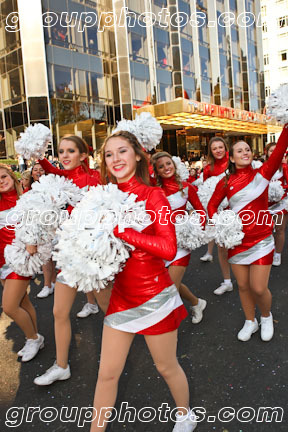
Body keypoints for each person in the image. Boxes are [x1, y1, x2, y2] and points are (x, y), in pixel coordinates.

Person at [90, 130, 197, 432]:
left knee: (165, 366)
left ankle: (185, 414)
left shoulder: (154, 195)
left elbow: (168, 248)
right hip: (122, 298)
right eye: (109, 154)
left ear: (137, 155)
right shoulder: (103, 197)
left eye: (122, 151)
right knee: (107, 374)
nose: (115, 159)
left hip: (155, 298)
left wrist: (125, 232)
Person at [33, 136, 110, 386]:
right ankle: (61, 365)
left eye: (71, 151)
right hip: (68, 254)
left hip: (91, 256)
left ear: (83, 155)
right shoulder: (61, 180)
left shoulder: (95, 178)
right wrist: (39, 155)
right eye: (61, 151)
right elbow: (51, 170)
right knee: (59, 312)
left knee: (111, 311)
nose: (65, 155)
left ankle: (125, 348)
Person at [207, 125, 288, 342]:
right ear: (231, 158)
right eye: (239, 151)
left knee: (259, 287)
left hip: (261, 239)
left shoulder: (263, 173)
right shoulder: (226, 181)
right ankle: (250, 321)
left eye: (247, 150)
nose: (245, 153)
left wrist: (286, 127)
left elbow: (279, 150)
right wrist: (222, 224)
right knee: (243, 286)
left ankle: (266, 316)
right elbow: (212, 206)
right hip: (237, 241)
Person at [152, 151, 207, 324]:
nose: (166, 168)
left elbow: (200, 211)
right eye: (161, 166)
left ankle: (165, 333)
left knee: (169, 290)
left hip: (181, 245)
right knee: (168, 282)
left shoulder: (186, 187)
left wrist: (195, 229)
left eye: (168, 164)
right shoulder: (154, 191)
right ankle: (196, 302)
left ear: (174, 165)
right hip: (161, 244)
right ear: (156, 171)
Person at [0, 165, 44, 362]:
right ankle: (34, 338)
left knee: (9, 307)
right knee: (22, 303)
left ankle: (33, 338)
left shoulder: (26, 199)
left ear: (13, 177)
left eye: (3, 176)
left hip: (20, 261)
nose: (1, 181)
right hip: (1, 262)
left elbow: (40, 225)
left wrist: (32, 242)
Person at [200, 137, 232, 296]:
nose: (218, 150)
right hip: (218, 210)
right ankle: (227, 281)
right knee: (222, 247)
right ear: (211, 151)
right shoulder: (208, 168)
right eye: (215, 148)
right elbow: (206, 191)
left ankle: (247, 278)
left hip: (237, 208)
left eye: (221, 147)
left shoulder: (233, 162)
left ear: (226, 148)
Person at [266, 143, 288, 266]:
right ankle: (268, 251)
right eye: (271, 151)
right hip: (265, 205)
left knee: (279, 230)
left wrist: (279, 189)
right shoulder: (264, 167)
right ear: (267, 153)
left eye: (276, 150)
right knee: (267, 230)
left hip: (280, 204)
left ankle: (277, 254)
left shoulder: (284, 167)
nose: (273, 153)